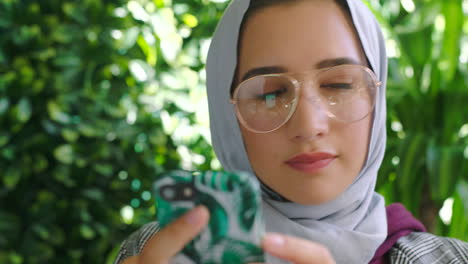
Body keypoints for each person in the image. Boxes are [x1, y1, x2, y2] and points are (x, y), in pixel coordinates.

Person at [114, 0, 468, 263]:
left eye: (340, 85)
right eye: (269, 93)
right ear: (226, 114)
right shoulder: (162, 252)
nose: (309, 126)